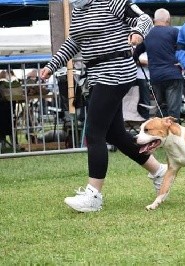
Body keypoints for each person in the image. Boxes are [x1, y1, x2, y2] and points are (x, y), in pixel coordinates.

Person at [40, 0, 167, 212]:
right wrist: (51, 65)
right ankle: (159, 171)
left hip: (116, 71)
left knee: (94, 132)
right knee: (114, 134)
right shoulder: (78, 9)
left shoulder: (112, 2)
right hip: (96, 76)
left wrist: (137, 33)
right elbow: (74, 42)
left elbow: (144, 19)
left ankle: (94, 195)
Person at [143, 8, 184, 121]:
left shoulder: (147, 34)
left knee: (161, 109)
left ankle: (160, 135)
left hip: (156, 77)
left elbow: (135, 54)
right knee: (173, 111)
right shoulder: (174, 31)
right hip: (173, 75)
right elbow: (183, 51)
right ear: (168, 19)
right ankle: (174, 136)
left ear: (155, 20)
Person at [132, 44, 151, 120]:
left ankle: (144, 120)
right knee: (135, 100)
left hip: (145, 76)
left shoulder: (147, 44)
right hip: (136, 76)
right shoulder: (131, 45)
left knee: (144, 100)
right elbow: (132, 59)